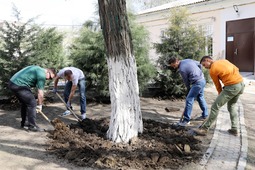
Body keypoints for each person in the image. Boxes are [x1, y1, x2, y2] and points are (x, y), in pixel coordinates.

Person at [194, 56, 245, 136]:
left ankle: (204, 129)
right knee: (231, 106)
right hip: (241, 84)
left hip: (232, 86)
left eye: (204, 65)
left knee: (215, 107)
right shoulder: (224, 61)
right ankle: (234, 129)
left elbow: (217, 85)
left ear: (208, 60)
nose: (205, 67)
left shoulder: (213, 70)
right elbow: (236, 69)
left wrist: (220, 95)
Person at [8, 65, 56, 132]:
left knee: (25, 103)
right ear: (48, 72)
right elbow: (40, 93)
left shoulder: (38, 69)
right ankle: (32, 126)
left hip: (12, 83)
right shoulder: (42, 75)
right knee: (32, 103)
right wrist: (40, 105)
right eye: (50, 77)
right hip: (19, 84)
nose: (48, 79)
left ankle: (25, 123)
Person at [168, 57, 208, 126]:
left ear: (176, 62)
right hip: (202, 80)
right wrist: (200, 73)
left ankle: (186, 120)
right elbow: (200, 64)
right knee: (200, 97)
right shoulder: (187, 60)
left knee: (189, 99)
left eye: (174, 66)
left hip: (197, 83)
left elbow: (186, 81)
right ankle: (205, 115)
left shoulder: (182, 69)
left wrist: (188, 89)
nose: (174, 68)